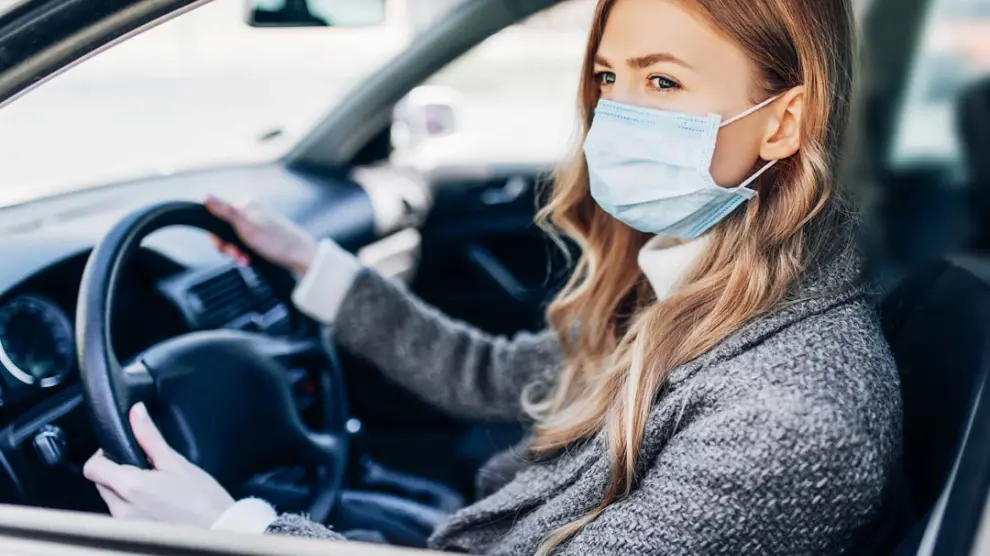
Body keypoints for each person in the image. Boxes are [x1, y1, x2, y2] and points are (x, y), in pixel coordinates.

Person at [83, 0, 904, 554]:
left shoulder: (792, 417)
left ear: (783, 122)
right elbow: (493, 376)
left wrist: (233, 531)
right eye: (608, 78)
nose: (615, 116)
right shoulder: (691, 280)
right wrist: (312, 266)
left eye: (663, 81)